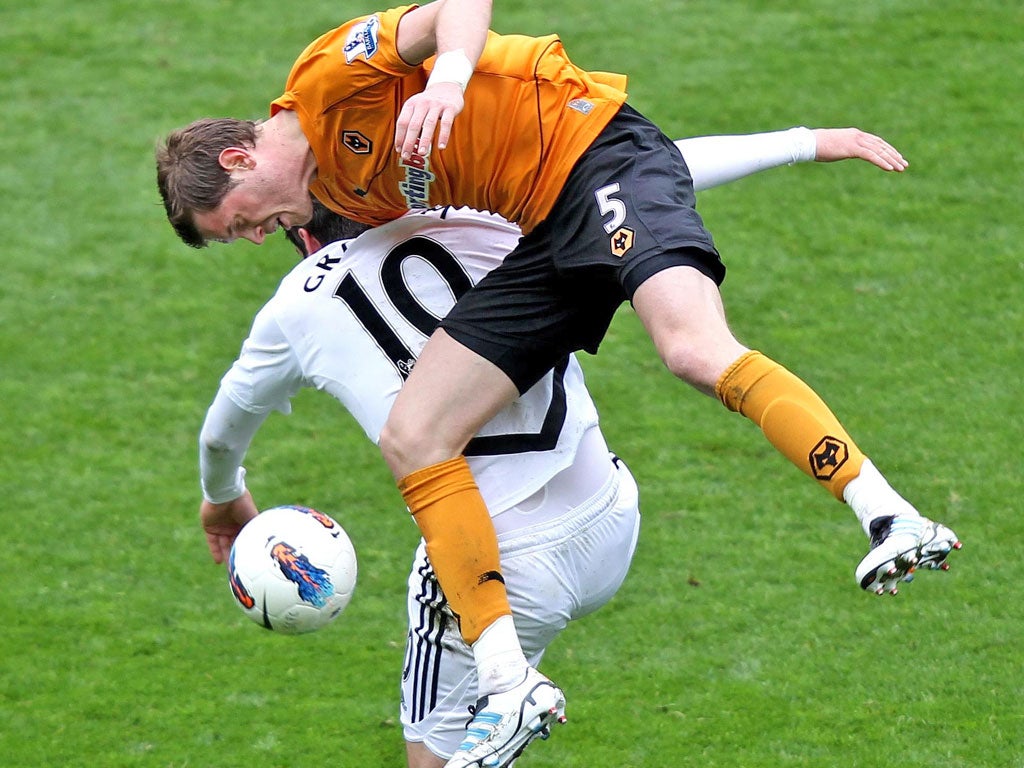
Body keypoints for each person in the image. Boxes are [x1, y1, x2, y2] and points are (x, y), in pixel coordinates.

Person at [158, 5, 961, 765]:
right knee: (415, 435)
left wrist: (448, 75)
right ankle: (511, 685)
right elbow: (668, 168)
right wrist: (800, 141)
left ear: (239, 158)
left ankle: (890, 514)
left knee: (691, 348)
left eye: (241, 222)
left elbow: (461, 10)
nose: (258, 236)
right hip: (545, 241)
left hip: (597, 157)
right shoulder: (345, 195)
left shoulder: (328, 80)